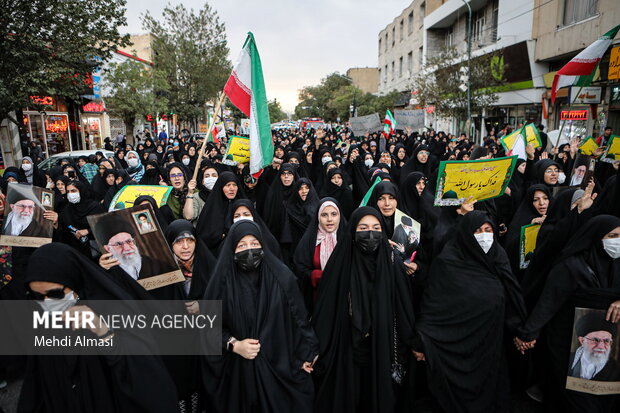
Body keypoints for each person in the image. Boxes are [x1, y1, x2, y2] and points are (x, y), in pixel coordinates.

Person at [20, 243, 179, 413]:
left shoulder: (115, 308)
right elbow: (38, 381)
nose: (47, 302)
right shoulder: (45, 321)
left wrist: (103, 332)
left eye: (55, 294)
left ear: (73, 280)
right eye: (37, 296)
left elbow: (143, 375)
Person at [414, 211, 527, 413]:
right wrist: (422, 342)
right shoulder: (447, 262)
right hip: (455, 348)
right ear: (465, 234)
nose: (484, 236)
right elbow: (433, 307)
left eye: (488, 230)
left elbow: (512, 295)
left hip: (488, 346)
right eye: (477, 231)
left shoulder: (498, 256)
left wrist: (522, 330)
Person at [202, 220, 319, 412]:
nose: (249, 250)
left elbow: (298, 319)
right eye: (242, 245)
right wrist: (234, 344)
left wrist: (307, 353)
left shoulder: (282, 277)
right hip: (239, 374)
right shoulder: (221, 284)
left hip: (279, 366)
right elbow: (207, 327)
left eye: (255, 244)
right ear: (231, 249)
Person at [312, 207, 417, 413]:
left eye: (376, 228)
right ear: (352, 230)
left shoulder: (391, 261)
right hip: (346, 350)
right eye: (363, 228)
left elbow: (404, 306)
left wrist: (414, 343)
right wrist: (313, 350)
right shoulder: (341, 261)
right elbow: (325, 310)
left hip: (382, 349)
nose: (370, 233)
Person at [515, 215, 620, 412]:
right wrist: (527, 334)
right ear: (596, 237)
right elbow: (548, 302)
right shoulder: (571, 267)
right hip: (568, 340)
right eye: (612, 235)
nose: (618, 241)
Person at [293, 198, 345, 313]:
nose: (330, 219)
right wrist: (315, 275)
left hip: (342, 298)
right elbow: (299, 267)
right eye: (324, 215)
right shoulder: (310, 240)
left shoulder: (346, 239)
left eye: (334, 214)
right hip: (316, 298)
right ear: (317, 217)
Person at [95, 215, 167, 281]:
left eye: (129, 241)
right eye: (118, 244)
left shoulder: (158, 266)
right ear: (107, 248)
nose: (127, 248)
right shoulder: (106, 272)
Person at [568, 313, 618, 381]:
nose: (601, 346)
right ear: (582, 341)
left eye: (606, 340)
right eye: (595, 340)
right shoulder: (568, 358)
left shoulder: (616, 369)